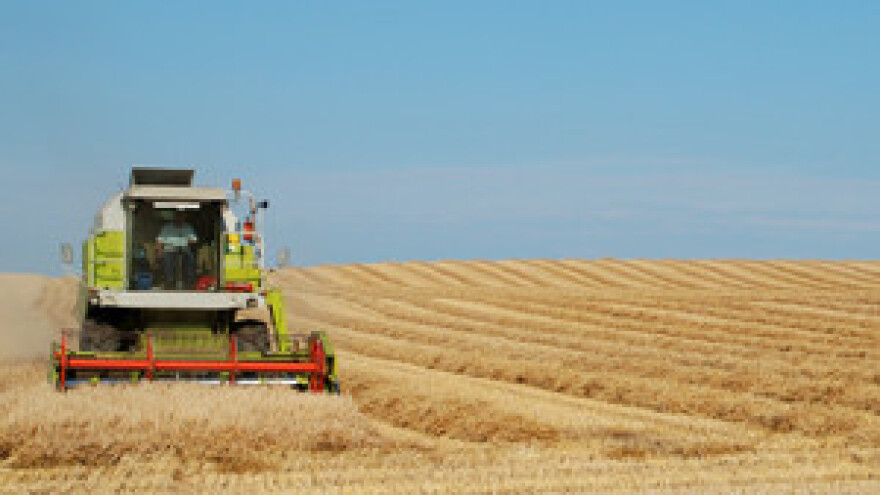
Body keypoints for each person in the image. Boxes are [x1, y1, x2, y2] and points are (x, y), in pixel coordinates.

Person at [157, 210, 198, 289]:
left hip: (184, 249)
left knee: (190, 259)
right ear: (174, 217)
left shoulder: (188, 227)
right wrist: (160, 251)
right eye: (178, 216)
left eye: (182, 216)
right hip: (170, 249)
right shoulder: (167, 227)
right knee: (168, 260)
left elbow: (194, 240)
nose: (180, 218)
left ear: (184, 217)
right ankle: (169, 282)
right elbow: (159, 240)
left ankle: (189, 282)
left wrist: (187, 240)